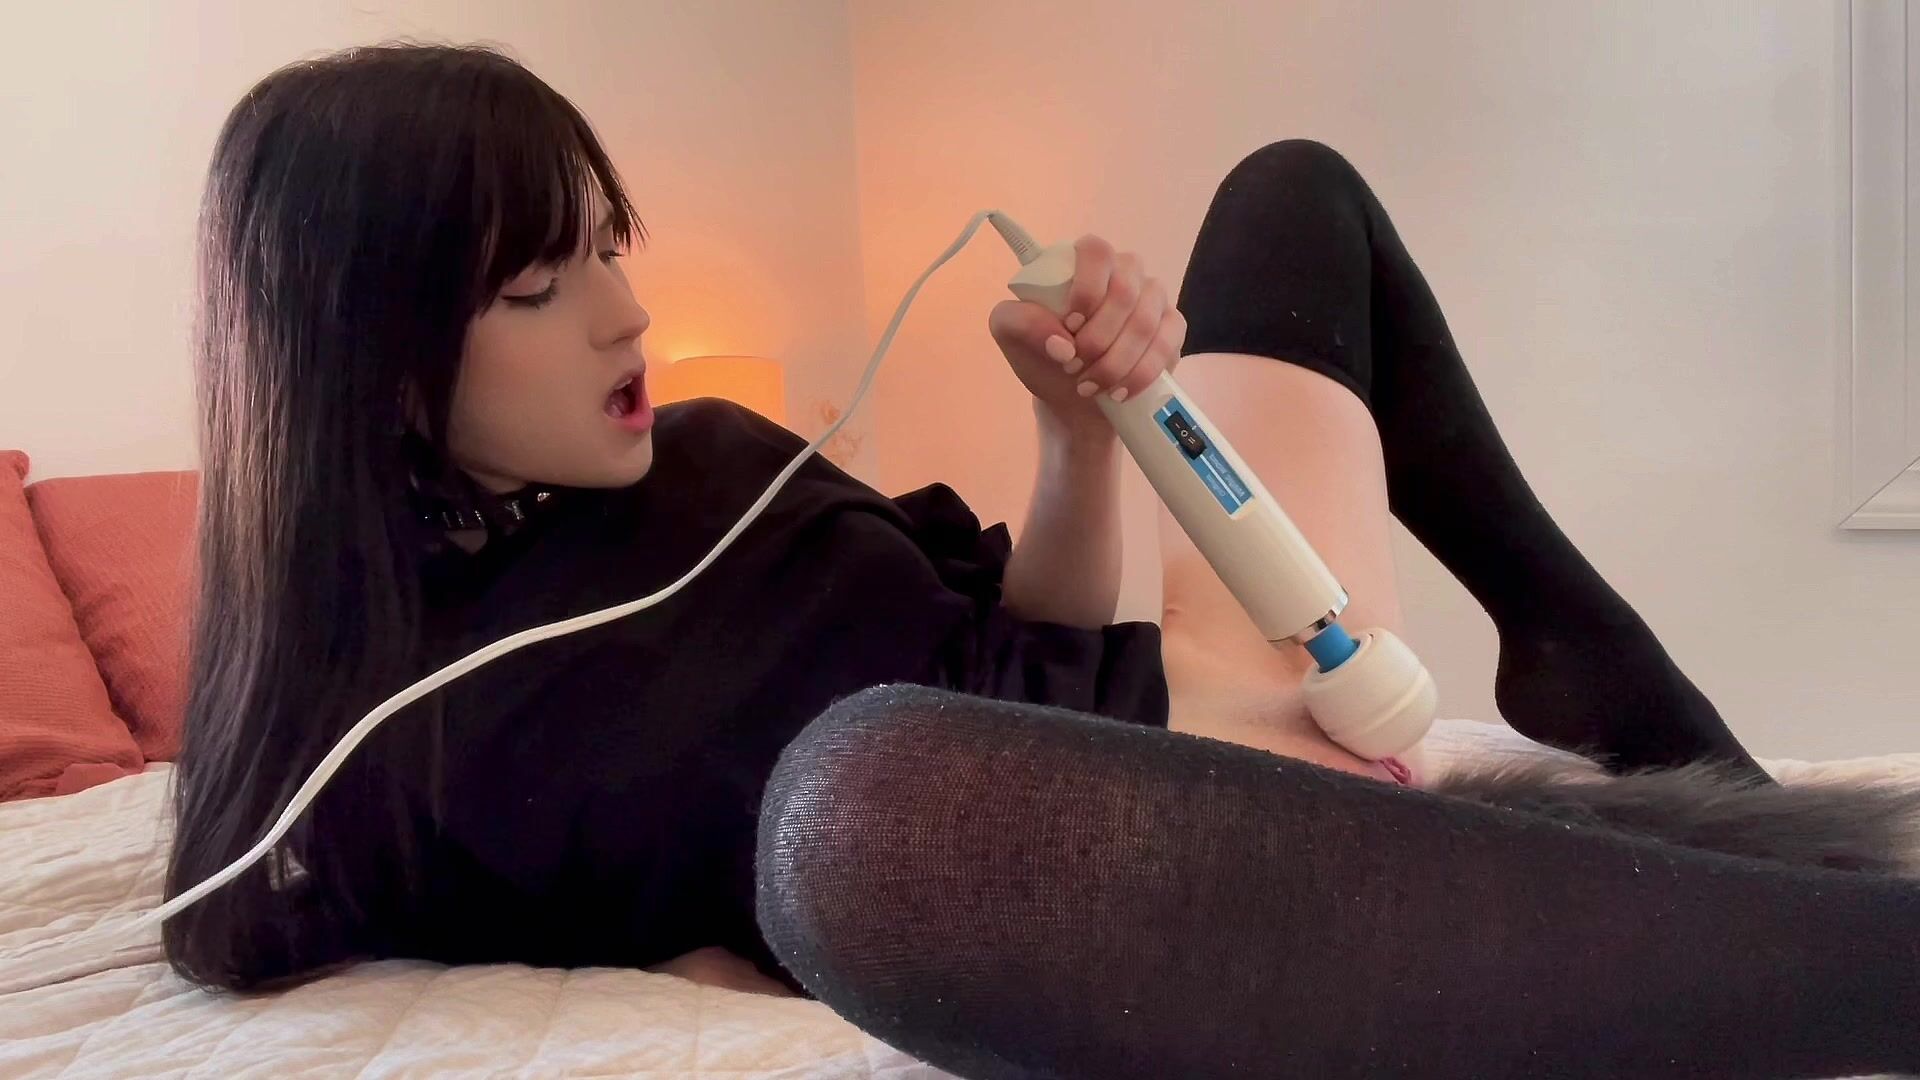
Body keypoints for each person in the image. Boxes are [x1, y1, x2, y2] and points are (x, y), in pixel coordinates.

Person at [162, 42, 1917, 1077]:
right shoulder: (385, 736)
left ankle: (1576, 641)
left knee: (1293, 191)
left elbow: (1027, 632)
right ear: (370, 360)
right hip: (1113, 843)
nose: (626, 311)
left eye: (611, 244)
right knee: (857, 800)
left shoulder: (709, 453)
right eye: (541, 286)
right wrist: (678, 950)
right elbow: (232, 911)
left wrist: (1079, 431)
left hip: (1230, 672)